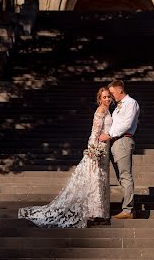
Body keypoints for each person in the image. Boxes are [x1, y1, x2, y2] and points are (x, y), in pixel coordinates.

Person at [18, 87, 112, 227]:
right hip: (99, 147)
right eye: (104, 97)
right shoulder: (100, 110)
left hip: (105, 147)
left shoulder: (108, 110)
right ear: (99, 99)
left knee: (101, 178)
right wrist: (93, 149)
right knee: (96, 178)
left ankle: (99, 212)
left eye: (109, 96)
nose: (107, 99)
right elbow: (95, 132)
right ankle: (95, 212)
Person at [99, 79, 140, 219]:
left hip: (123, 140)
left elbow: (127, 124)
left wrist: (109, 135)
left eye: (112, 93)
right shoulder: (118, 106)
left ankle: (128, 210)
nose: (111, 96)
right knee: (121, 177)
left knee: (125, 175)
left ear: (120, 90)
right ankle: (128, 207)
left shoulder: (131, 103)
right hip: (115, 142)